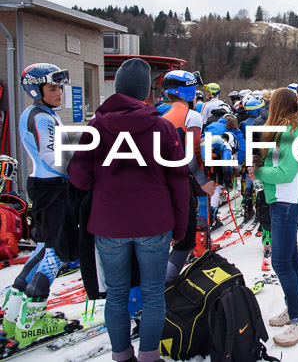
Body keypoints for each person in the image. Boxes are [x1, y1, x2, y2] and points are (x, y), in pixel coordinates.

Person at [68, 58, 189, 362]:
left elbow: (80, 178)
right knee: (152, 294)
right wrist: (181, 227)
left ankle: (121, 355)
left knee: (117, 295)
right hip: (155, 223)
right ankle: (149, 355)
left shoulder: (95, 127)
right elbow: (179, 182)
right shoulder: (163, 128)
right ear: (147, 92)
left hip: (108, 224)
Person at [1, 64, 72, 346]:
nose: (59, 93)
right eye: (52, 88)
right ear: (36, 89)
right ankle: (33, 317)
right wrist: (83, 171)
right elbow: (53, 159)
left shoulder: (37, 113)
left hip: (42, 187)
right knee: (57, 252)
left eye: (60, 87)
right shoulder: (42, 118)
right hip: (53, 188)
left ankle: (15, 311)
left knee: (43, 249)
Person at [247, 89, 298, 347]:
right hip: (292, 199)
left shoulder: (289, 134)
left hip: (288, 199)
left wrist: (259, 172)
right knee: (290, 257)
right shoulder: (290, 131)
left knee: (280, 262)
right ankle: (294, 309)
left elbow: (285, 173)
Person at [160, 70, 216, 283]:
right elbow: (190, 154)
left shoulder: (161, 113)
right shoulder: (191, 115)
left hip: (162, 183)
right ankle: (166, 283)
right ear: (187, 91)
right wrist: (203, 182)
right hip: (181, 184)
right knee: (185, 239)